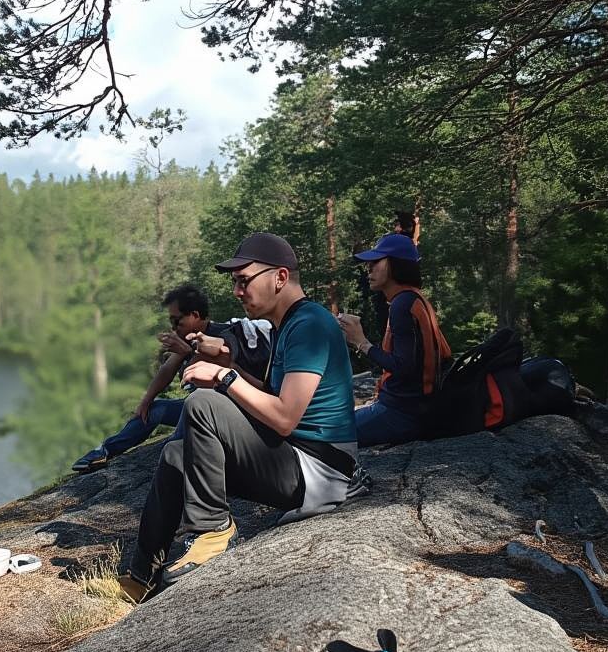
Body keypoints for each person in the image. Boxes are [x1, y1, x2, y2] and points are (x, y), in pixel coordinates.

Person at [117, 232, 366, 604]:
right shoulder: (288, 325)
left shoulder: (311, 325)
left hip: (320, 470)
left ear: (280, 277)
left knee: (202, 402)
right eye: (234, 282)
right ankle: (142, 575)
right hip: (293, 457)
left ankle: (213, 530)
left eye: (243, 280)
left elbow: (283, 418)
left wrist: (223, 378)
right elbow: (270, 395)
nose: (237, 291)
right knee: (175, 455)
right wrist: (229, 366)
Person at [71, 284, 271, 472]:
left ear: (195, 315)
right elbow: (167, 370)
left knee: (183, 429)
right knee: (156, 409)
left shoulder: (224, 336)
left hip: (224, 410)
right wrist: (145, 402)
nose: (175, 327)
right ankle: (105, 450)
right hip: (197, 407)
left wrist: (187, 351)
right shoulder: (187, 341)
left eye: (178, 321)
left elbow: (221, 367)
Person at [338, 233, 451, 447]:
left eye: (376, 261)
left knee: (330, 433)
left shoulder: (402, 305)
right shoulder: (415, 299)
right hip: (414, 409)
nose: (369, 268)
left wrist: (361, 342)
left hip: (402, 414)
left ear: (396, 265)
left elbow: (404, 366)